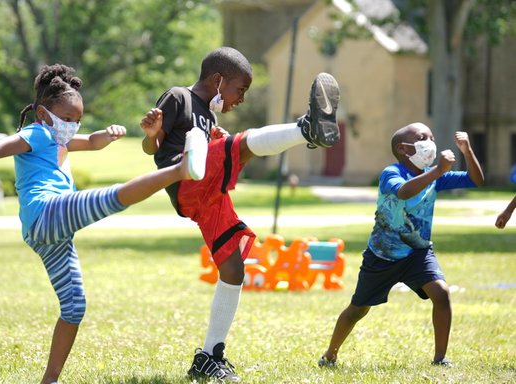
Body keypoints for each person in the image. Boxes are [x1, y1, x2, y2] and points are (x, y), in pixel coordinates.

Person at [0, 64, 202, 384]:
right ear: (43, 114)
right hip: (47, 213)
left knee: (74, 307)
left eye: (77, 121)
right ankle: (179, 170)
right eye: (68, 119)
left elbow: (93, 141)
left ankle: (50, 380)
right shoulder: (36, 133)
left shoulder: (60, 138)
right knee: (111, 198)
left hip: (50, 235)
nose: (73, 127)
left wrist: (108, 135)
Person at [140, 46, 341, 382]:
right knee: (240, 145)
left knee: (234, 268)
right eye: (240, 90)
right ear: (218, 80)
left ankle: (209, 356)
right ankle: (306, 129)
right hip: (186, 179)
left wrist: (213, 138)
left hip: (209, 196)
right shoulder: (178, 97)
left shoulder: (210, 115)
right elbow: (153, 148)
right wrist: (150, 135)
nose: (241, 99)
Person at [317, 123, 484, 369]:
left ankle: (440, 358)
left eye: (432, 136)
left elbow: (476, 180)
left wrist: (467, 151)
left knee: (441, 293)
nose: (430, 141)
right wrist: (438, 170)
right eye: (422, 137)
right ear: (403, 149)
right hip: (383, 255)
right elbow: (404, 192)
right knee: (358, 309)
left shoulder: (433, 175)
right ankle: (330, 355)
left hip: (418, 252)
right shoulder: (391, 173)